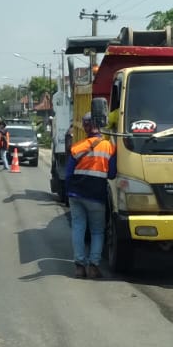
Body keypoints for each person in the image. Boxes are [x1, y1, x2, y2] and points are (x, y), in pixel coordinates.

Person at [65, 115, 116, 279]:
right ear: (100, 126)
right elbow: (112, 174)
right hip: (96, 196)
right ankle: (93, 267)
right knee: (97, 231)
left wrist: (69, 193)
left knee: (78, 228)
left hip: (76, 194)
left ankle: (79, 267)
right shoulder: (109, 147)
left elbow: (67, 174)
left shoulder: (77, 147)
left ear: (85, 127)